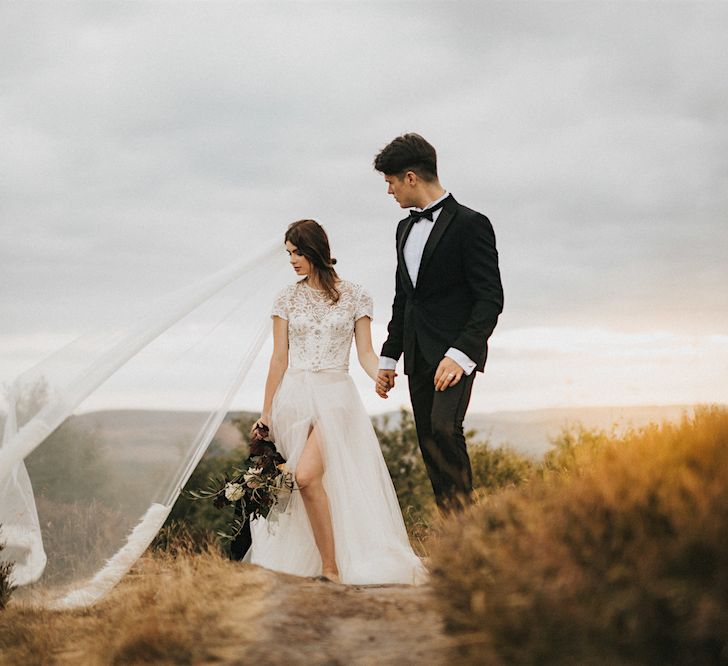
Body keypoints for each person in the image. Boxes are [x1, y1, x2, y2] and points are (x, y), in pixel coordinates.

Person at [246, 219, 426, 585]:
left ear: (316, 250)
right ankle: (322, 561)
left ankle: (331, 568)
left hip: (335, 397)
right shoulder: (286, 297)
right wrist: (266, 412)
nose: (293, 260)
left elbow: (364, 353)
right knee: (301, 484)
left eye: (298, 252)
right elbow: (279, 358)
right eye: (289, 254)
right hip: (293, 399)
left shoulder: (356, 295)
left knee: (307, 477)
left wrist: (381, 373)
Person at [374, 133, 504, 513]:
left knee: (446, 428)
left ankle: (470, 533)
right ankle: (453, 535)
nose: (390, 191)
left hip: (455, 352)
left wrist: (461, 354)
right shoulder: (403, 230)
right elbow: (404, 299)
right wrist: (388, 359)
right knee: (429, 440)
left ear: (411, 177)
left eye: (391, 182)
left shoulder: (471, 224)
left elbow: (490, 299)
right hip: (417, 351)